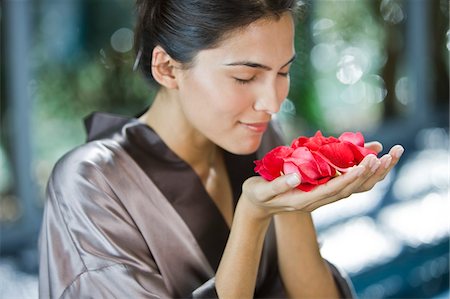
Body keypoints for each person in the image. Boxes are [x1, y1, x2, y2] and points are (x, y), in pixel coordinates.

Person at [38, 0, 404, 298]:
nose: (272, 103)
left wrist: (293, 202)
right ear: (166, 68)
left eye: (283, 72)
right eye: (245, 77)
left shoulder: (261, 138)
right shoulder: (90, 185)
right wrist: (252, 216)